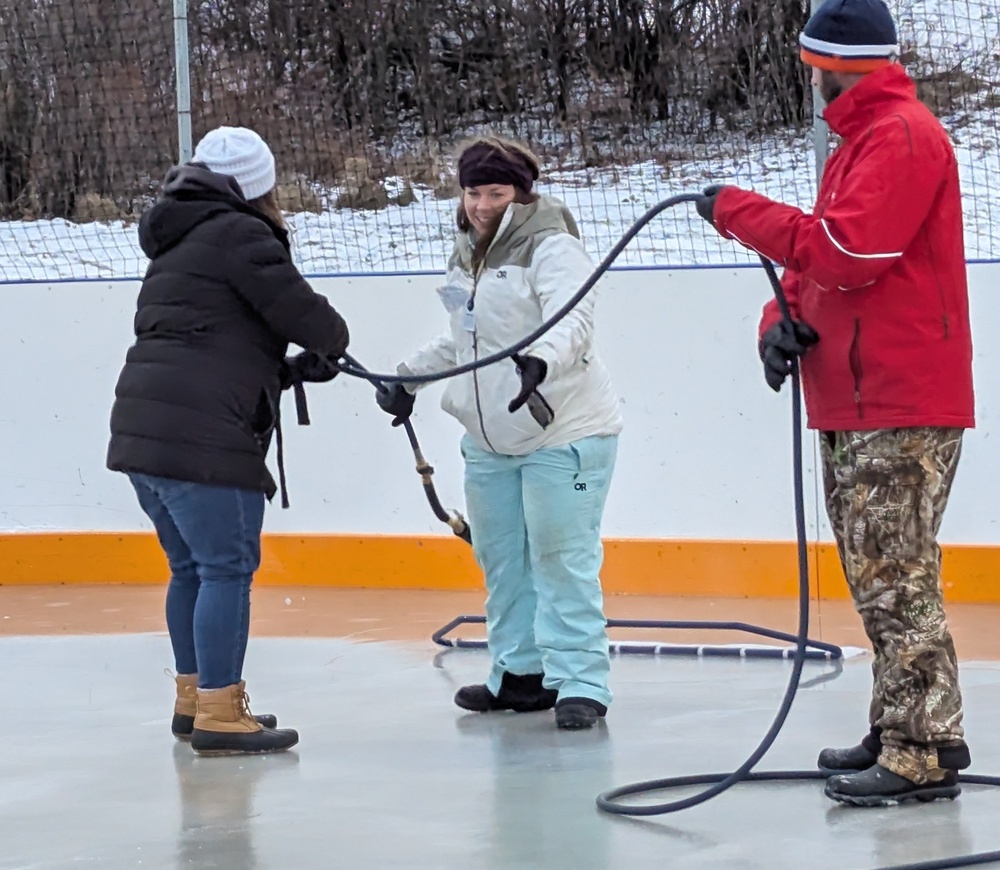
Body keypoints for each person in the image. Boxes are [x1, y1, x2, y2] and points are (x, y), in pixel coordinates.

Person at [695, 0, 975, 806]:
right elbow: (823, 256)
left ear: (828, 63)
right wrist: (777, 320)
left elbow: (850, 254)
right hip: (856, 395)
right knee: (875, 573)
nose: (807, 79)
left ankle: (922, 748)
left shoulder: (902, 137)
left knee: (897, 574)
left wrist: (738, 212)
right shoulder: (863, 142)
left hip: (898, 397)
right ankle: (901, 725)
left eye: (810, 63)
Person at [107, 126, 350, 755]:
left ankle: (195, 700)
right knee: (225, 570)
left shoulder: (178, 237)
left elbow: (212, 337)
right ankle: (221, 711)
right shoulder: (241, 232)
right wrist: (329, 345)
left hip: (147, 431)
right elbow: (307, 315)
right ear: (260, 185)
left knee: (190, 567)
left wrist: (291, 369)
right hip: (203, 438)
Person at [376, 135, 623, 730]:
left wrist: (542, 358)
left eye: (495, 191)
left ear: (521, 191)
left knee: (561, 559)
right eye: (472, 191)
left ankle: (582, 681)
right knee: (502, 560)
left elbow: (573, 317)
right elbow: (464, 338)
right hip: (489, 441)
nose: (482, 203)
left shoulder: (550, 244)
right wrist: (407, 378)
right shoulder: (468, 250)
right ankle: (520, 675)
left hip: (563, 432)